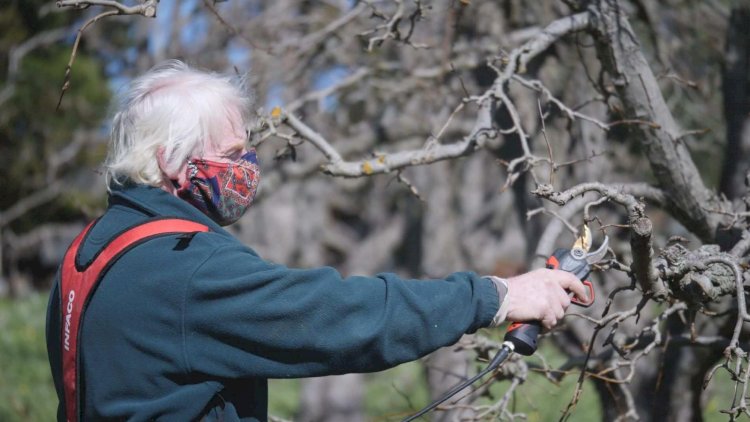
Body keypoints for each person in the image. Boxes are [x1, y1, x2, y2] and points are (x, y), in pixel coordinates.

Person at [46, 60, 587, 421]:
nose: (247, 168)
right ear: (170, 160)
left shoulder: (91, 253)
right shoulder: (185, 268)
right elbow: (337, 317)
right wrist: (496, 296)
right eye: (233, 155)